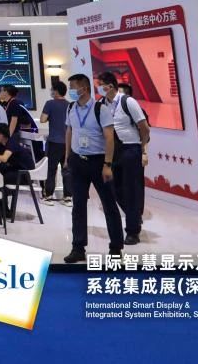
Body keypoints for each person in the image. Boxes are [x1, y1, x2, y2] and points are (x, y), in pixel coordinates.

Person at [62, 74, 124, 263]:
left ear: (84, 88)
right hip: (77, 161)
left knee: (109, 205)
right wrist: (67, 157)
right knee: (78, 206)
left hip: (98, 162)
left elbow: (109, 138)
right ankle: (78, 247)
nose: (71, 91)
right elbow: (69, 131)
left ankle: (115, 248)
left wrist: (107, 164)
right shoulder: (71, 108)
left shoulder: (100, 109)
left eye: (73, 87)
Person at [98, 71, 150, 246]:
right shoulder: (101, 104)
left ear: (110, 86)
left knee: (131, 191)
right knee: (115, 189)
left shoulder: (127, 101)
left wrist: (142, 148)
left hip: (130, 149)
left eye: (101, 85)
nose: (99, 88)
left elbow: (144, 127)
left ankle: (133, 231)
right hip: (111, 151)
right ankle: (134, 215)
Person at [39, 81, 69, 203]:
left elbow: (42, 119)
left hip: (54, 142)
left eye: (52, 89)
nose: (51, 92)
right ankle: (68, 197)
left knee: (51, 170)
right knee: (67, 170)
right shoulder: (70, 105)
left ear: (56, 91)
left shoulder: (50, 103)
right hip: (68, 142)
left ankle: (49, 195)